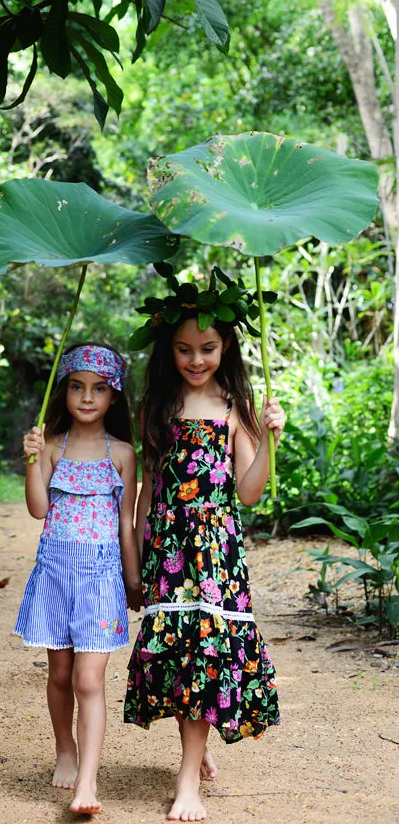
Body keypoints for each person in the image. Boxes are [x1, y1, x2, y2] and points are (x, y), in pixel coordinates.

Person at [124, 277, 285, 823]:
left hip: (216, 554)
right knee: (178, 653)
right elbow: (146, 492)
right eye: (184, 349)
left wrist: (270, 441)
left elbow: (248, 492)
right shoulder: (160, 405)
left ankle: (187, 776)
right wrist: (136, 564)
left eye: (208, 349)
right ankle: (196, 746)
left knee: (206, 655)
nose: (196, 360)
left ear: (227, 348)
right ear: (169, 351)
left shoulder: (233, 404)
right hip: (169, 552)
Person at [16, 343, 141, 816]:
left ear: (113, 397)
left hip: (102, 579)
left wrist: (132, 581)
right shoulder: (50, 447)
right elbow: (38, 509)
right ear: (64, 391)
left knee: (90, 680)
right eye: (76, 386)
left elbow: (126, 523)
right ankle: (64, 749)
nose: (87, 397)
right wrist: (31, 461)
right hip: (54, 576)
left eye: (99, 388)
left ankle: (87, 781)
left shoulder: (124, 454)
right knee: (61, 674)